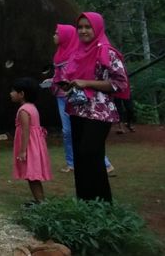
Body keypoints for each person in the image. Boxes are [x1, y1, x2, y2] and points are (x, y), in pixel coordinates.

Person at [63, 12, 129, 203]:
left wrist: (87, 83)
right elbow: (76, 79)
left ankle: (102, 204)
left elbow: (120, 83)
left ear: (97, 28)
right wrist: (68, 84)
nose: (83, 31)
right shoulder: (77, 52)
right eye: (80, 27)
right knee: (80, 158)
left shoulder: (107, 51)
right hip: (77, 109)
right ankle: (85, 204)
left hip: (99, 112)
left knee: (91, 154)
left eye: (88, 27)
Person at [48, 24, 115, 174]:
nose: (54, 36)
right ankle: (71, 162)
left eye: (57, 33)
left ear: (65, 36)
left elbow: (84, 75)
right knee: (66, 131)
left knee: (84, 131)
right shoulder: (58, 54)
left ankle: (104, 163)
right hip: (61, 96)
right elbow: (59, 74)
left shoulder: (77, 54)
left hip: (77, 97)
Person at [11, 77, 52, 204]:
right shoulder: (32, 107)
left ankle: (41, 202)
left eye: (13, 91)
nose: (11, 94)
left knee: (32, 175)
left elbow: (26, 131)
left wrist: (23, 151)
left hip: (30, 146)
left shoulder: (23, 110)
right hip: (35, 145)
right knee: (32, 175)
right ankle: (39, 200)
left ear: (22, 94)